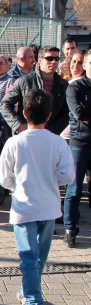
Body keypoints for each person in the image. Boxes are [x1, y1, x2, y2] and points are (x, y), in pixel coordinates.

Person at [0, 89, 74, 305]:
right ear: (49, 115)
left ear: (23, 113)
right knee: (38, 258)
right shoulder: (57, 142)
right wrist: (50, 180)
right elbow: (68, 175)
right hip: (49, 207)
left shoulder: (14, 142)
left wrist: (17, 186)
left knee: (29, 258)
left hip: (23, 207)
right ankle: (30, 296)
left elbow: (3, 177)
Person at [0, 46, 69, 135]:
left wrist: (51, 131)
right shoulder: (25, 81)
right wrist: (18, 125)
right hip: (26, 135)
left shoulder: (63, 84)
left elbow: (66, 114)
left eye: (57, 58)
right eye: (49, 58)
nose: (54, 61)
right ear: (40, 60)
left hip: (50, 136)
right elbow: (4, 104)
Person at [63, 49, 91, 248]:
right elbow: (80, 113)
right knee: (74, 189)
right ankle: (69, 229)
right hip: (79, 144)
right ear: (86, 65)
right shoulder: (75, 88)